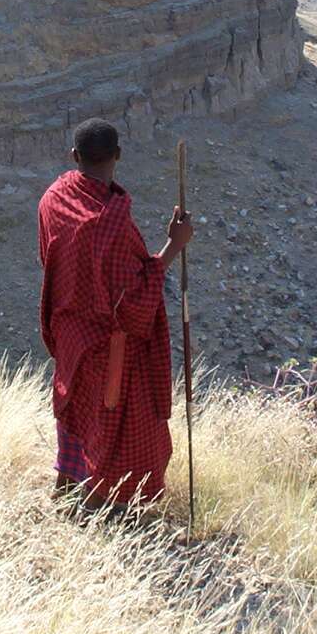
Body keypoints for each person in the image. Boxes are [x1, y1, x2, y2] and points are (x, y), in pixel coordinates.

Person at [38, 118, 194, 507]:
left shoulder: (54, 199)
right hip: (111, 352)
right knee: (117, 428)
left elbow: (54, 263)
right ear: (119, 155)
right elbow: (132, 306)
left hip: (72, 337)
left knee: (76, 414)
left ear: (74, 156)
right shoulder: (110, 222)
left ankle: (68, 488)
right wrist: (174, 245)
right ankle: (106, 505)